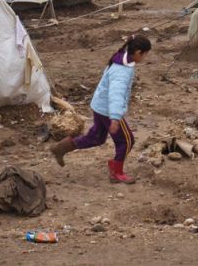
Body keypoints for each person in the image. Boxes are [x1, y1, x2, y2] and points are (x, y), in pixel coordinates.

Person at [50, 35, 151, 184]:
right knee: (127, 140)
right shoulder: (122, 71)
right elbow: (116, 94)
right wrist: (115, 117)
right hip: (108, 110)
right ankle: (116, 172)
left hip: (99, 106)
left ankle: (62, 147)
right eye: (145, 54)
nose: (145, 58)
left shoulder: (120, 58)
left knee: (97, 137)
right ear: (138, 52)